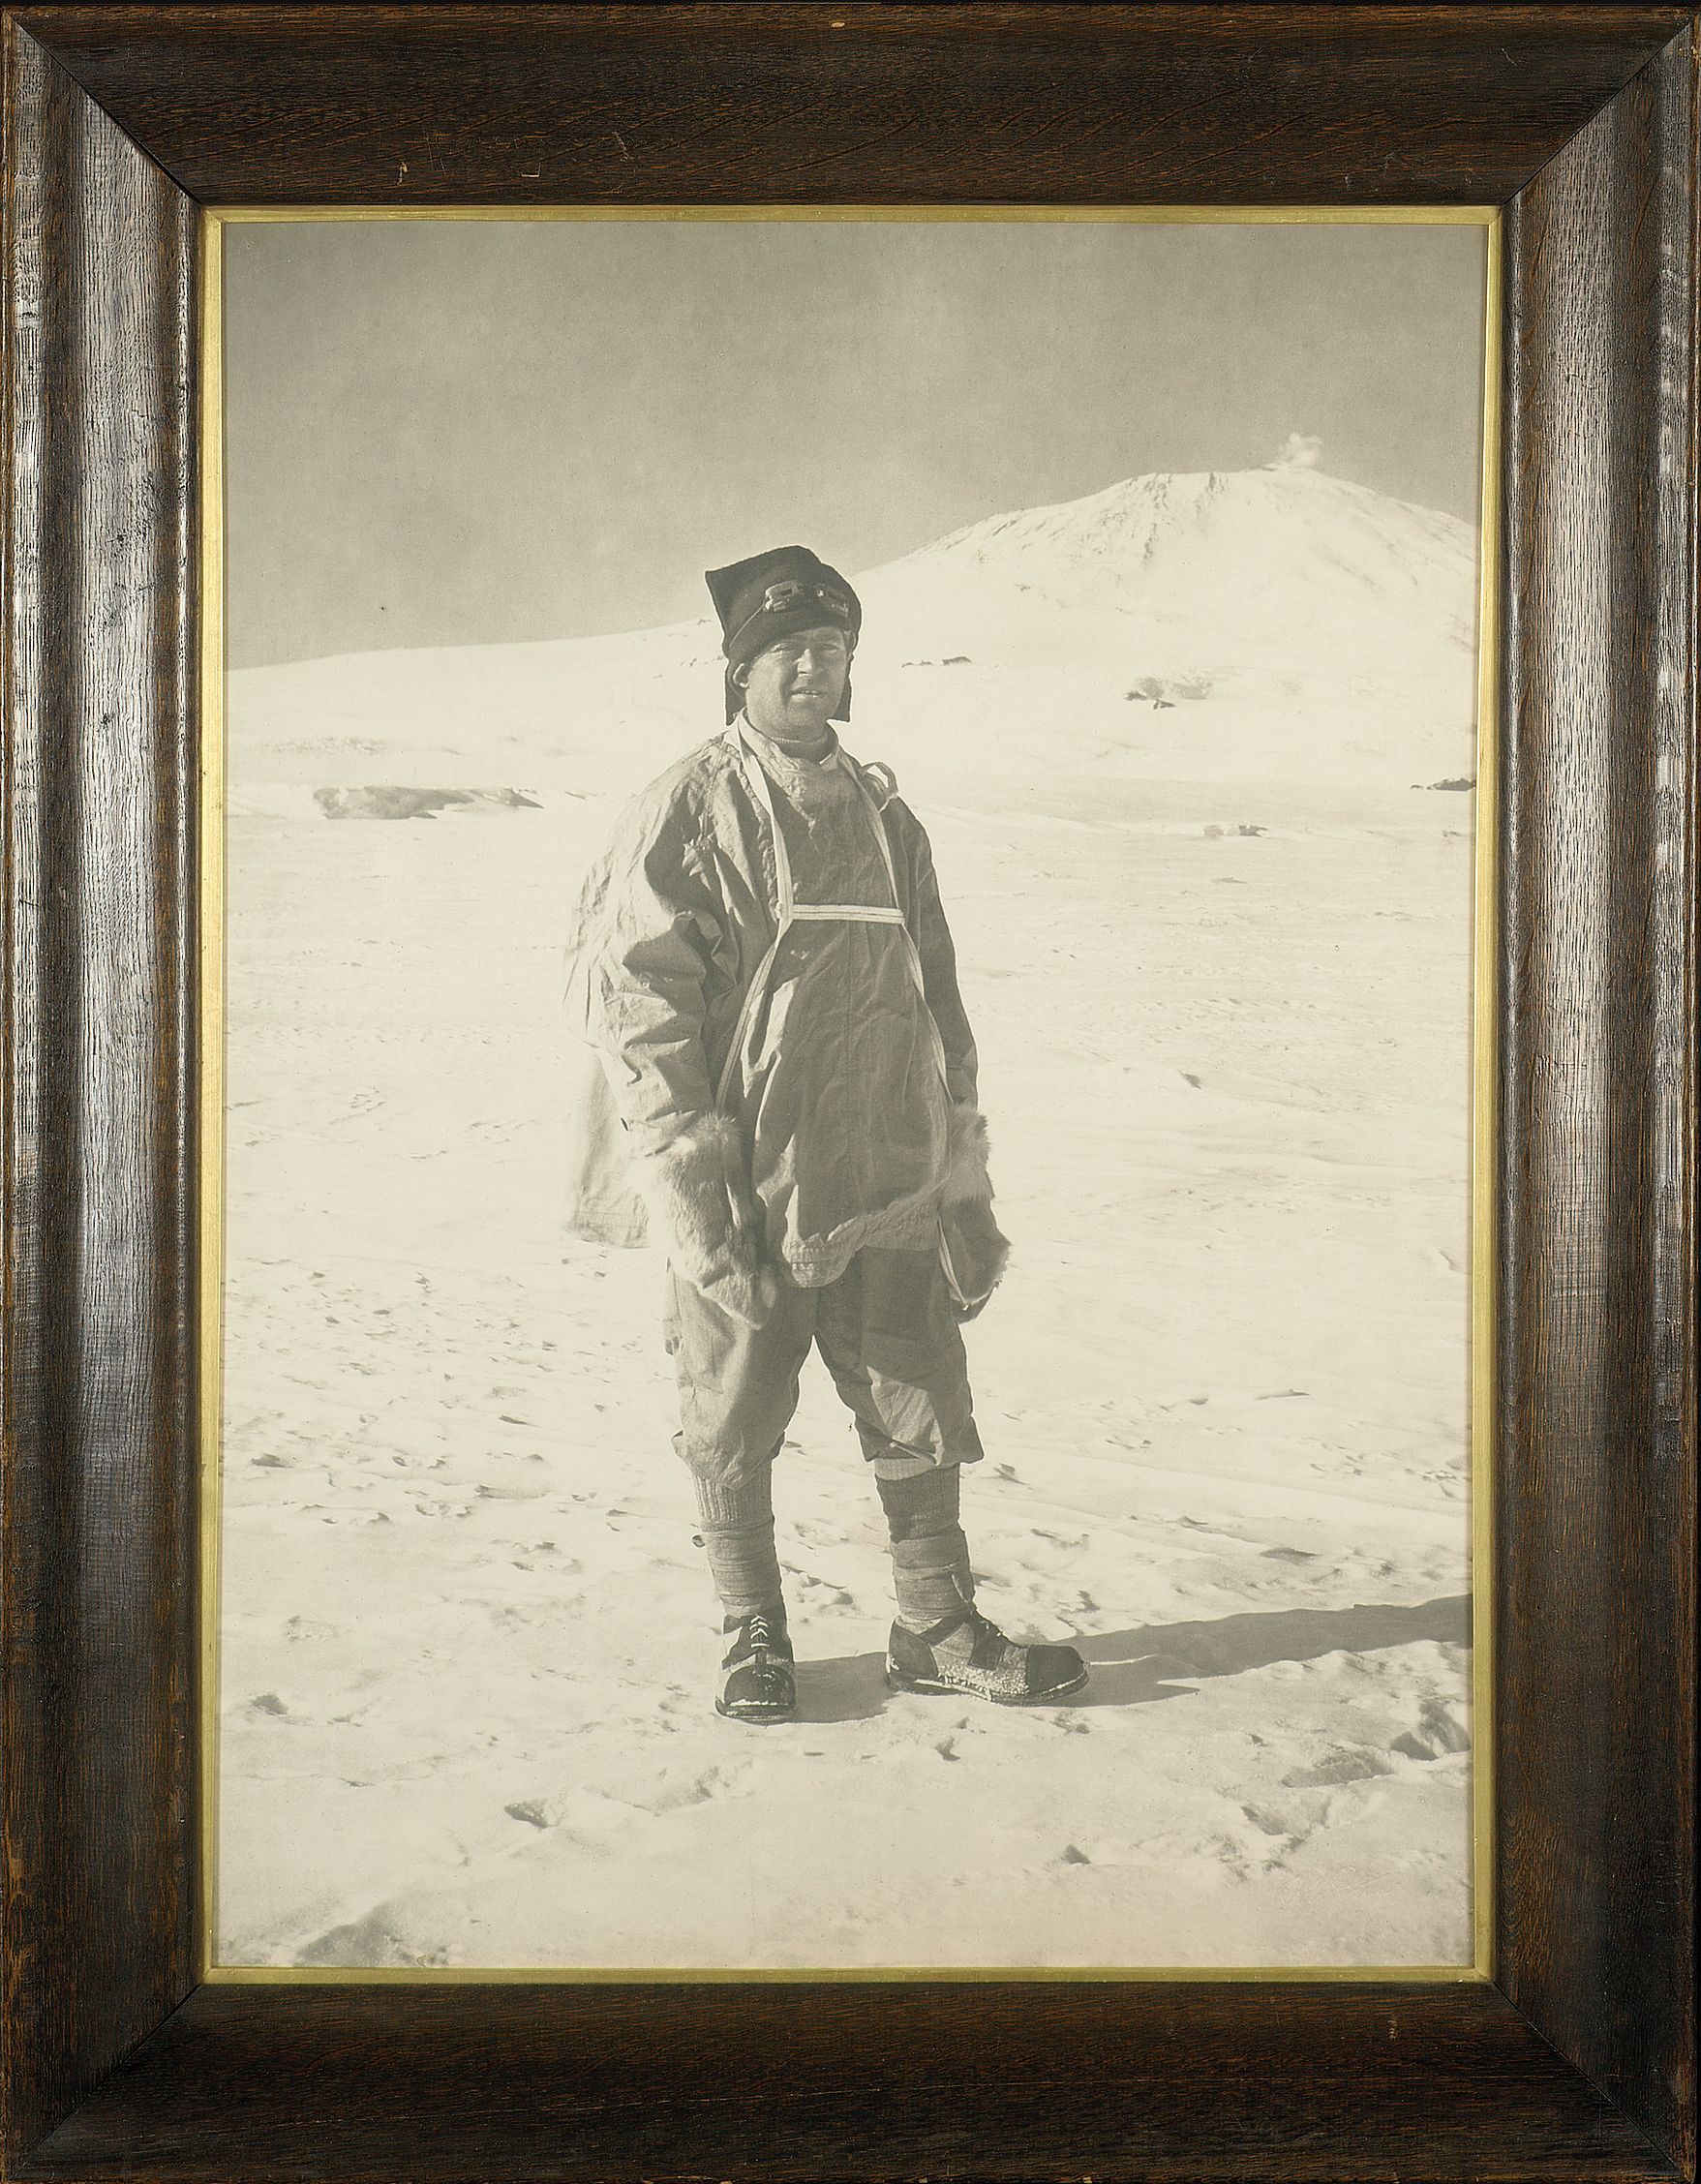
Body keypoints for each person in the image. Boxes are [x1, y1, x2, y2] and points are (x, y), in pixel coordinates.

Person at [563, 544, 1086, 1723]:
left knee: (915, 1385)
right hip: (752, 1161)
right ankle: (751, 1628)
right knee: (734, 1399)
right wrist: (689, 1169)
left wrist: (955, 1152)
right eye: (789, 650)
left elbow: (935, 988)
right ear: (741, 668)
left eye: (832, 650)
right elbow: (640, 1003)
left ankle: (933, 1623)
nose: (812, 670)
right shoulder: (687, 807)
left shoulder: (887, 815)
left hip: (886, 1157)